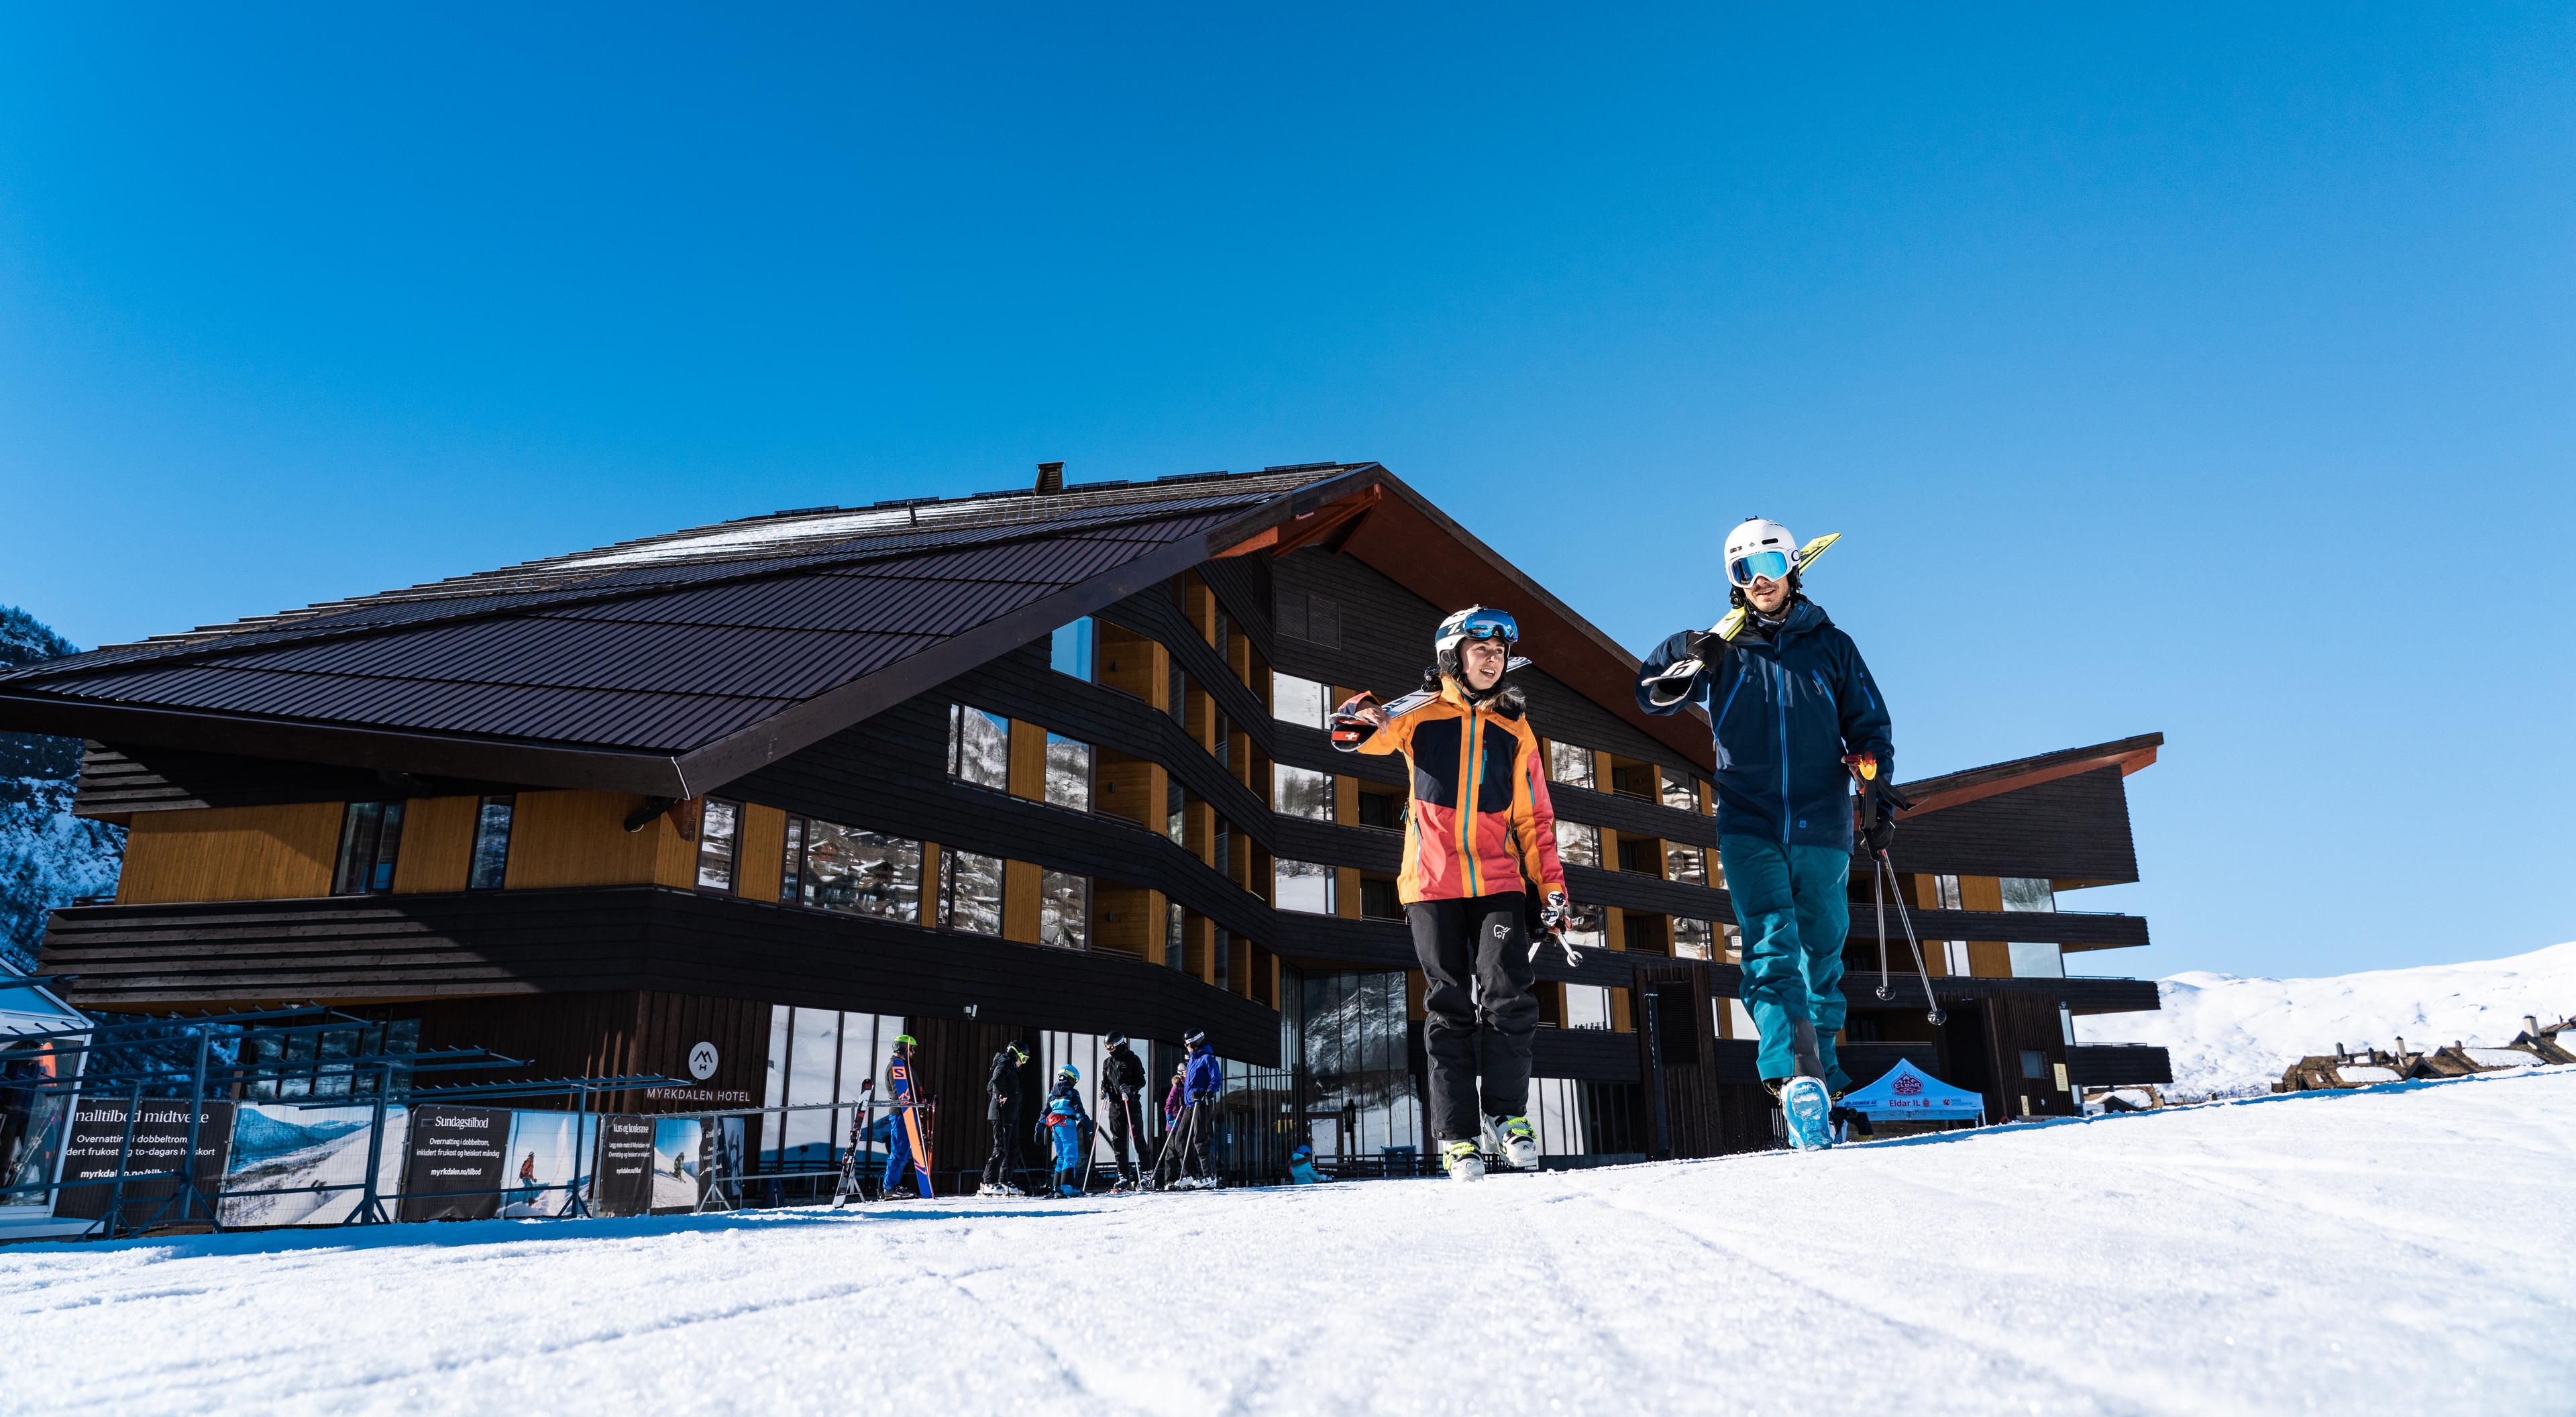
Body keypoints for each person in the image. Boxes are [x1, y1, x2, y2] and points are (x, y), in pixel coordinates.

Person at [1634, 517, 1897, 1151]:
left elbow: (1869, 727)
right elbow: (1651, 695)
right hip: (1749, 821)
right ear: (1734, 581)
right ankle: (1794, 1075)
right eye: (1744, 571)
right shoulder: (1720, 651)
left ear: (1792, 569)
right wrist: (1683, 650)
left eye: (1770, 566)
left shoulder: (1833, 646)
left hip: (1823, 824)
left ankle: (1823, 1080)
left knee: (1822, 958)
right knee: (1773, 948)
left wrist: (1875, 788)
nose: (1759, 581)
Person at [1334, 606, 1570, 1182]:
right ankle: (1458, 1136)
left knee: (1510, 996)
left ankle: (1507, 1116)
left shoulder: (1514, 729)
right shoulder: (1418, 715)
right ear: (1452, 657)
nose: (1492, 659)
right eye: (1480, 649)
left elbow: (1534, 819)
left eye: (1500, 652)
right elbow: (1349, 736)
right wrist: (1362, 708)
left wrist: (1552, 889)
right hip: (1431, 883)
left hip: (1497, 881)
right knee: (1449, 1004)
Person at [880, 1032, 932, 1200]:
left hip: (910, 1112)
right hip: (901, 1114)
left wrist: (924, 1099)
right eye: (911, 1049)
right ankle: (889, 1187)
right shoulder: (896, 1066)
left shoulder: (904, 1066)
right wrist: (913, 1103)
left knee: (908, 1152)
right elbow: (900, 1092)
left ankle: (894, 1185)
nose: (913, 1053)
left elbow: (912, 1089)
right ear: (903, 1048)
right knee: (900, 1151)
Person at [1171, 1030, 1224, 1190]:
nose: (1186, 1046)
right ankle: (1190, 1175)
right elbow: (1190, 1083)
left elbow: (1216, 1080)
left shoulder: (1207, 1059)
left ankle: (1209, 1176)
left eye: (1188, 1044)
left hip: (1202, 1104)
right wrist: (1185, 1096)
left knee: (1200, 1139)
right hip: (1190, 1105)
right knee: (1180, 1139)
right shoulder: (1192, 1061)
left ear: (1195, 1043)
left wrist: (1207, 1092)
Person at [1098, 1031, 1148, 1194]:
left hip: (1131, 1104)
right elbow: (1105, 1082)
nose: (1109, 1050)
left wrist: (1131, 1089)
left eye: (1111, 1047)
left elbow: (1141, 1081)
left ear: (1119, 1044)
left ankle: (1146, 1175)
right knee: (1118, 1142)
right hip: (1115, 1106)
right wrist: (1104, 1091)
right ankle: (1123, 1177)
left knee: (1137, 1138)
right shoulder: (1107, 1063)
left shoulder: (1132, 1059)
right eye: (1106, 1047)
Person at [979, 1039, 1030, 1196]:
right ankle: (989, 1182)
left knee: (1013, 1148)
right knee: (1001, 1148)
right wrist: (1001, 1095)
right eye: (1023, 1059)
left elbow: (991, 1086)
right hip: (1001, 1113)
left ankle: (1004, 1180)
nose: (1023, 1063)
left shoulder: (1012, 1068)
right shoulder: (1004, 1064)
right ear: (1016, 1055)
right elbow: (995, 1080)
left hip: (1012, 1115)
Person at [1036, 1063, 1092, 1198]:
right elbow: (1079, 1111)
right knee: (1070, 1155)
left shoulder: (1052, 1094)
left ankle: (1057, 1186)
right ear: (1071, 1078)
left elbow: (1045, 1112)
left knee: (1061, 1156)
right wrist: (1088, 1127)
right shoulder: (1072, 1093)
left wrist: (1039, 1127)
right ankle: (1067, 1187)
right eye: (1075, 1080)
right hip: (1067, 1124)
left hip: (1055, 1126)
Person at [1152, 1062, 1187, 1190]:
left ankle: (1187, 1177)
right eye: (1185, 1072)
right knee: (1172, 1152)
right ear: (1181, 1074)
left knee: (1184, 1151)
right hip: (1175, 1123)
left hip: (1185, 1123)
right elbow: (1169, 1104)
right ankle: (1169, 1180)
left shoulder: (1190, 1085)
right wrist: (1170, 1117)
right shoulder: (1177, 1087)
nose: (1187, 1074)